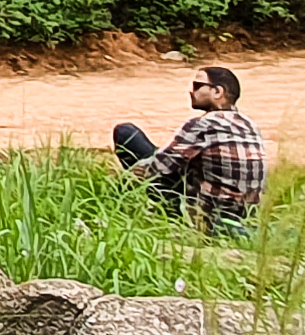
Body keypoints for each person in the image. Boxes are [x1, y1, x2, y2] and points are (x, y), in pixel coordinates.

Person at [112, 65, 266, 234]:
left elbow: (157, 167)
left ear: (217, 92)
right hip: (243, 216)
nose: (191, 92)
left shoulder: (203, 125)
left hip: (207, 218)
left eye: (197, 86)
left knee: (126, 133)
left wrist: (118, 186)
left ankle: (170, 214)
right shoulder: (250, 126)